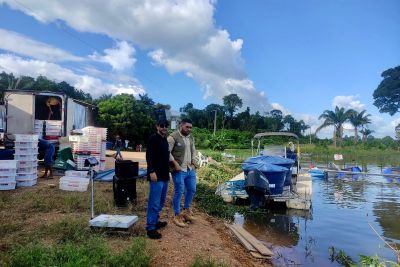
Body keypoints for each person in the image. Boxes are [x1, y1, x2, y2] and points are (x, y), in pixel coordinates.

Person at [168, 118, 196, 227]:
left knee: (192, 189)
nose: (189, 129)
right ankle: (177, 215)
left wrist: (193, 160)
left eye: (190, 127)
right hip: (179, 170)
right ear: (181, 125)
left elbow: (193, 150)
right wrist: (175, 164)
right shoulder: (172, 137)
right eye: (187, 127)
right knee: (179, 191)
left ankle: (186, 210)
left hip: (190, 169)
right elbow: (167, 152)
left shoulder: (191, 137)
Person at [145, 118, 171, 239]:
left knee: (161, 202)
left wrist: (169, 173)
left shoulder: (165, 139)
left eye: (166, 125)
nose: (164, 128)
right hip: (156, 176)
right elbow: (149, 156)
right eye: (162, 125)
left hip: (165, 176)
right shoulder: (153, 139)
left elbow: (165, 158)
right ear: (157, 126)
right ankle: (150, 228)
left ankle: (155, 221)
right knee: (154, 203)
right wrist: (151, 171)